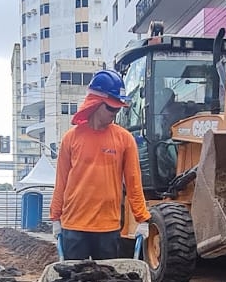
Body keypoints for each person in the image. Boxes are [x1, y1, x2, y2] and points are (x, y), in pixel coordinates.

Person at [50, 69, 151, 259]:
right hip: (74, 226)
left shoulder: (124, 139)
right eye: (111, 108)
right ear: (95, 103)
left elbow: (133, 183)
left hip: (108, 227)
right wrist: (55, 217)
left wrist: (142, 218)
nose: (115, 113)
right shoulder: (70, 139)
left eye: (118, 109)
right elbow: (61, 182)